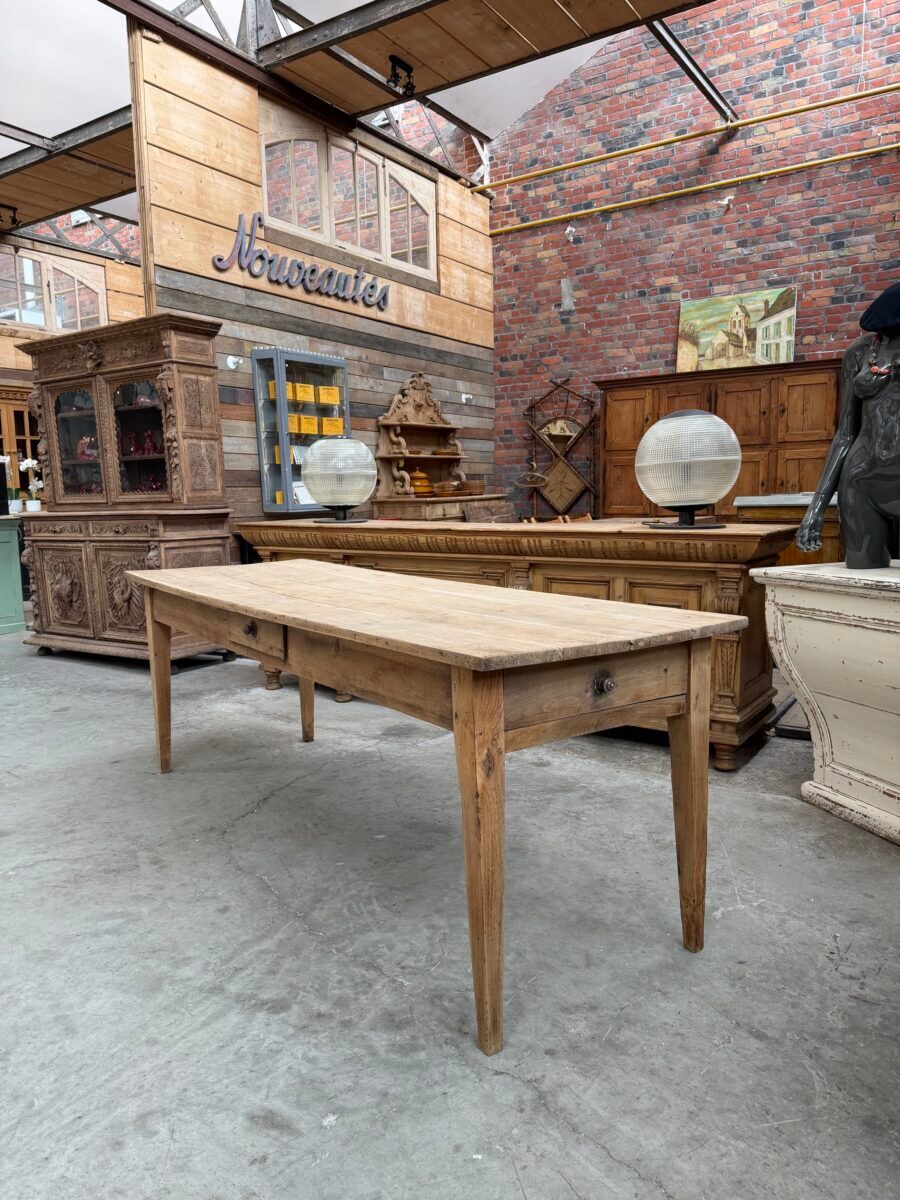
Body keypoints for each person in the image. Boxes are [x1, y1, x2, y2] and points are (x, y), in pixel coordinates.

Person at [795, 282, 900, 568]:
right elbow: (845, 434)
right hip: (861, 481)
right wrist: (816, 507)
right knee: (861, 573)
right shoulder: (860, 352)